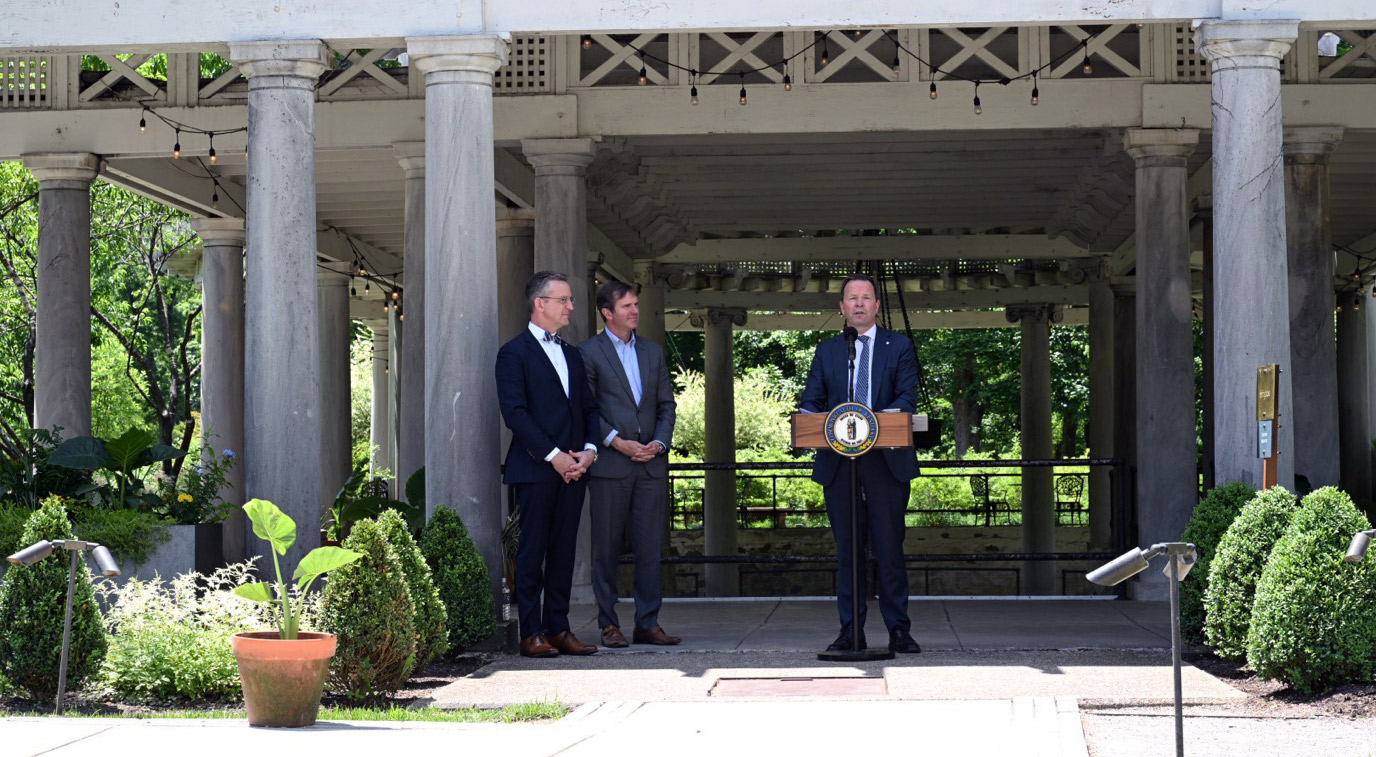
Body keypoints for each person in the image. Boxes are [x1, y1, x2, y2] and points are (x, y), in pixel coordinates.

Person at [799, 274, 922, 654]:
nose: (858, 304)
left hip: (886, 463)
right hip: (840, 466)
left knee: (889, 548)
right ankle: (850, 629)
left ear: (876, 306)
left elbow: (906, 399)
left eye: (866, 298)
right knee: (848, 552)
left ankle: (899, 629)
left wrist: (874, 421)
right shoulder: (827, 350)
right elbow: (812, 401)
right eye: (852, 298)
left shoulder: (899, 346)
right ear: (841, 307)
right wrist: (804, 418)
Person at [496, 270, 601, 658]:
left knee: (563, 551)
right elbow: (516, 414)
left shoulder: (573, 353)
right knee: (532, 550)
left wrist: (588, 451)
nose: (572, 306)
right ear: (541, 303)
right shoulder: (513, 352)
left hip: (576, 468)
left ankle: (559, 629)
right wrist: (555, 457)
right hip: (536, 467)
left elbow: (589, 408)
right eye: (565, 300)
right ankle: (531, 633)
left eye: (571, 300)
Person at [580, 281, 680, 648]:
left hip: (651, 465)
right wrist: (617, 442)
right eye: (627, 306)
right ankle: (609, 624)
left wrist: (659, 442)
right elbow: (587, 408)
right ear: (607, 312)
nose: (635, 311)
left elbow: (667, 405)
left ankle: (648, 623)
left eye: (636, 304)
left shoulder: (653, 352)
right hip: (610, 465)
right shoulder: (588, 352)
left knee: (650, 548)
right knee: (605, 549)